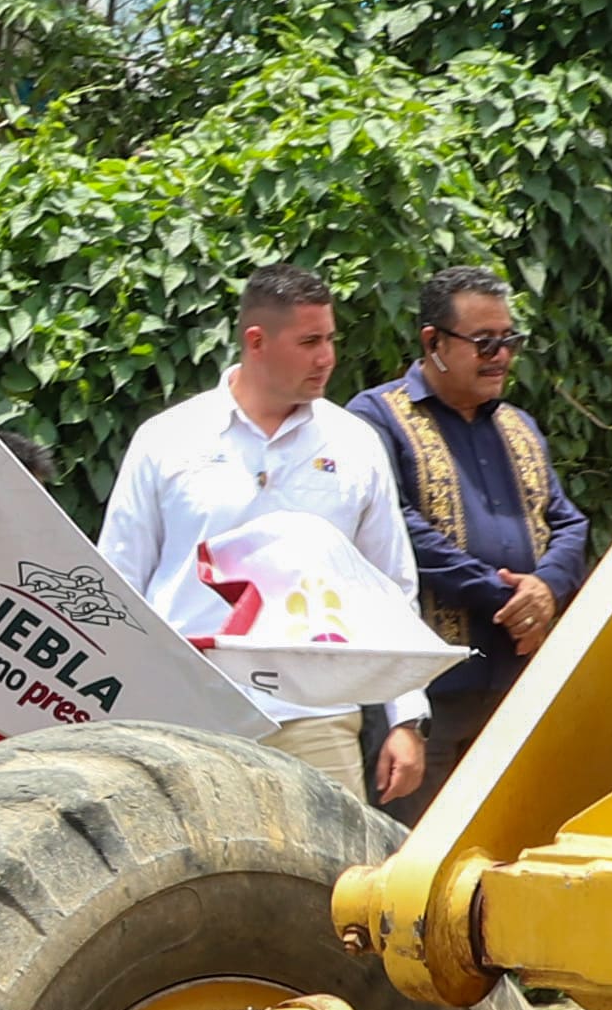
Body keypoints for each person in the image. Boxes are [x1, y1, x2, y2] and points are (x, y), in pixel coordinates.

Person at [100, 262, 427, 808]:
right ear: (257, 341)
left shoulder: (355, 443)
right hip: (188, 717)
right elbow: (118, 582)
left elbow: (392, 587)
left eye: (330, 339)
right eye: (309, 342)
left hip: (318, 718)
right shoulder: (167, 438)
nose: (327, 357)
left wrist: (407, 718)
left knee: (333, 865)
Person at [352, 265, 596, 802]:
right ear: (433, 342)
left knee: (510, 839)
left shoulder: (518, 425)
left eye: (510, 341)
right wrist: (508, 599)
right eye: (485, 343)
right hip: (425, 698)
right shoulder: (376, 419)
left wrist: (545, 590)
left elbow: (569, 523)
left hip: (516, 688)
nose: (501, 356)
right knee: (414, 843)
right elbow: (395, 528)